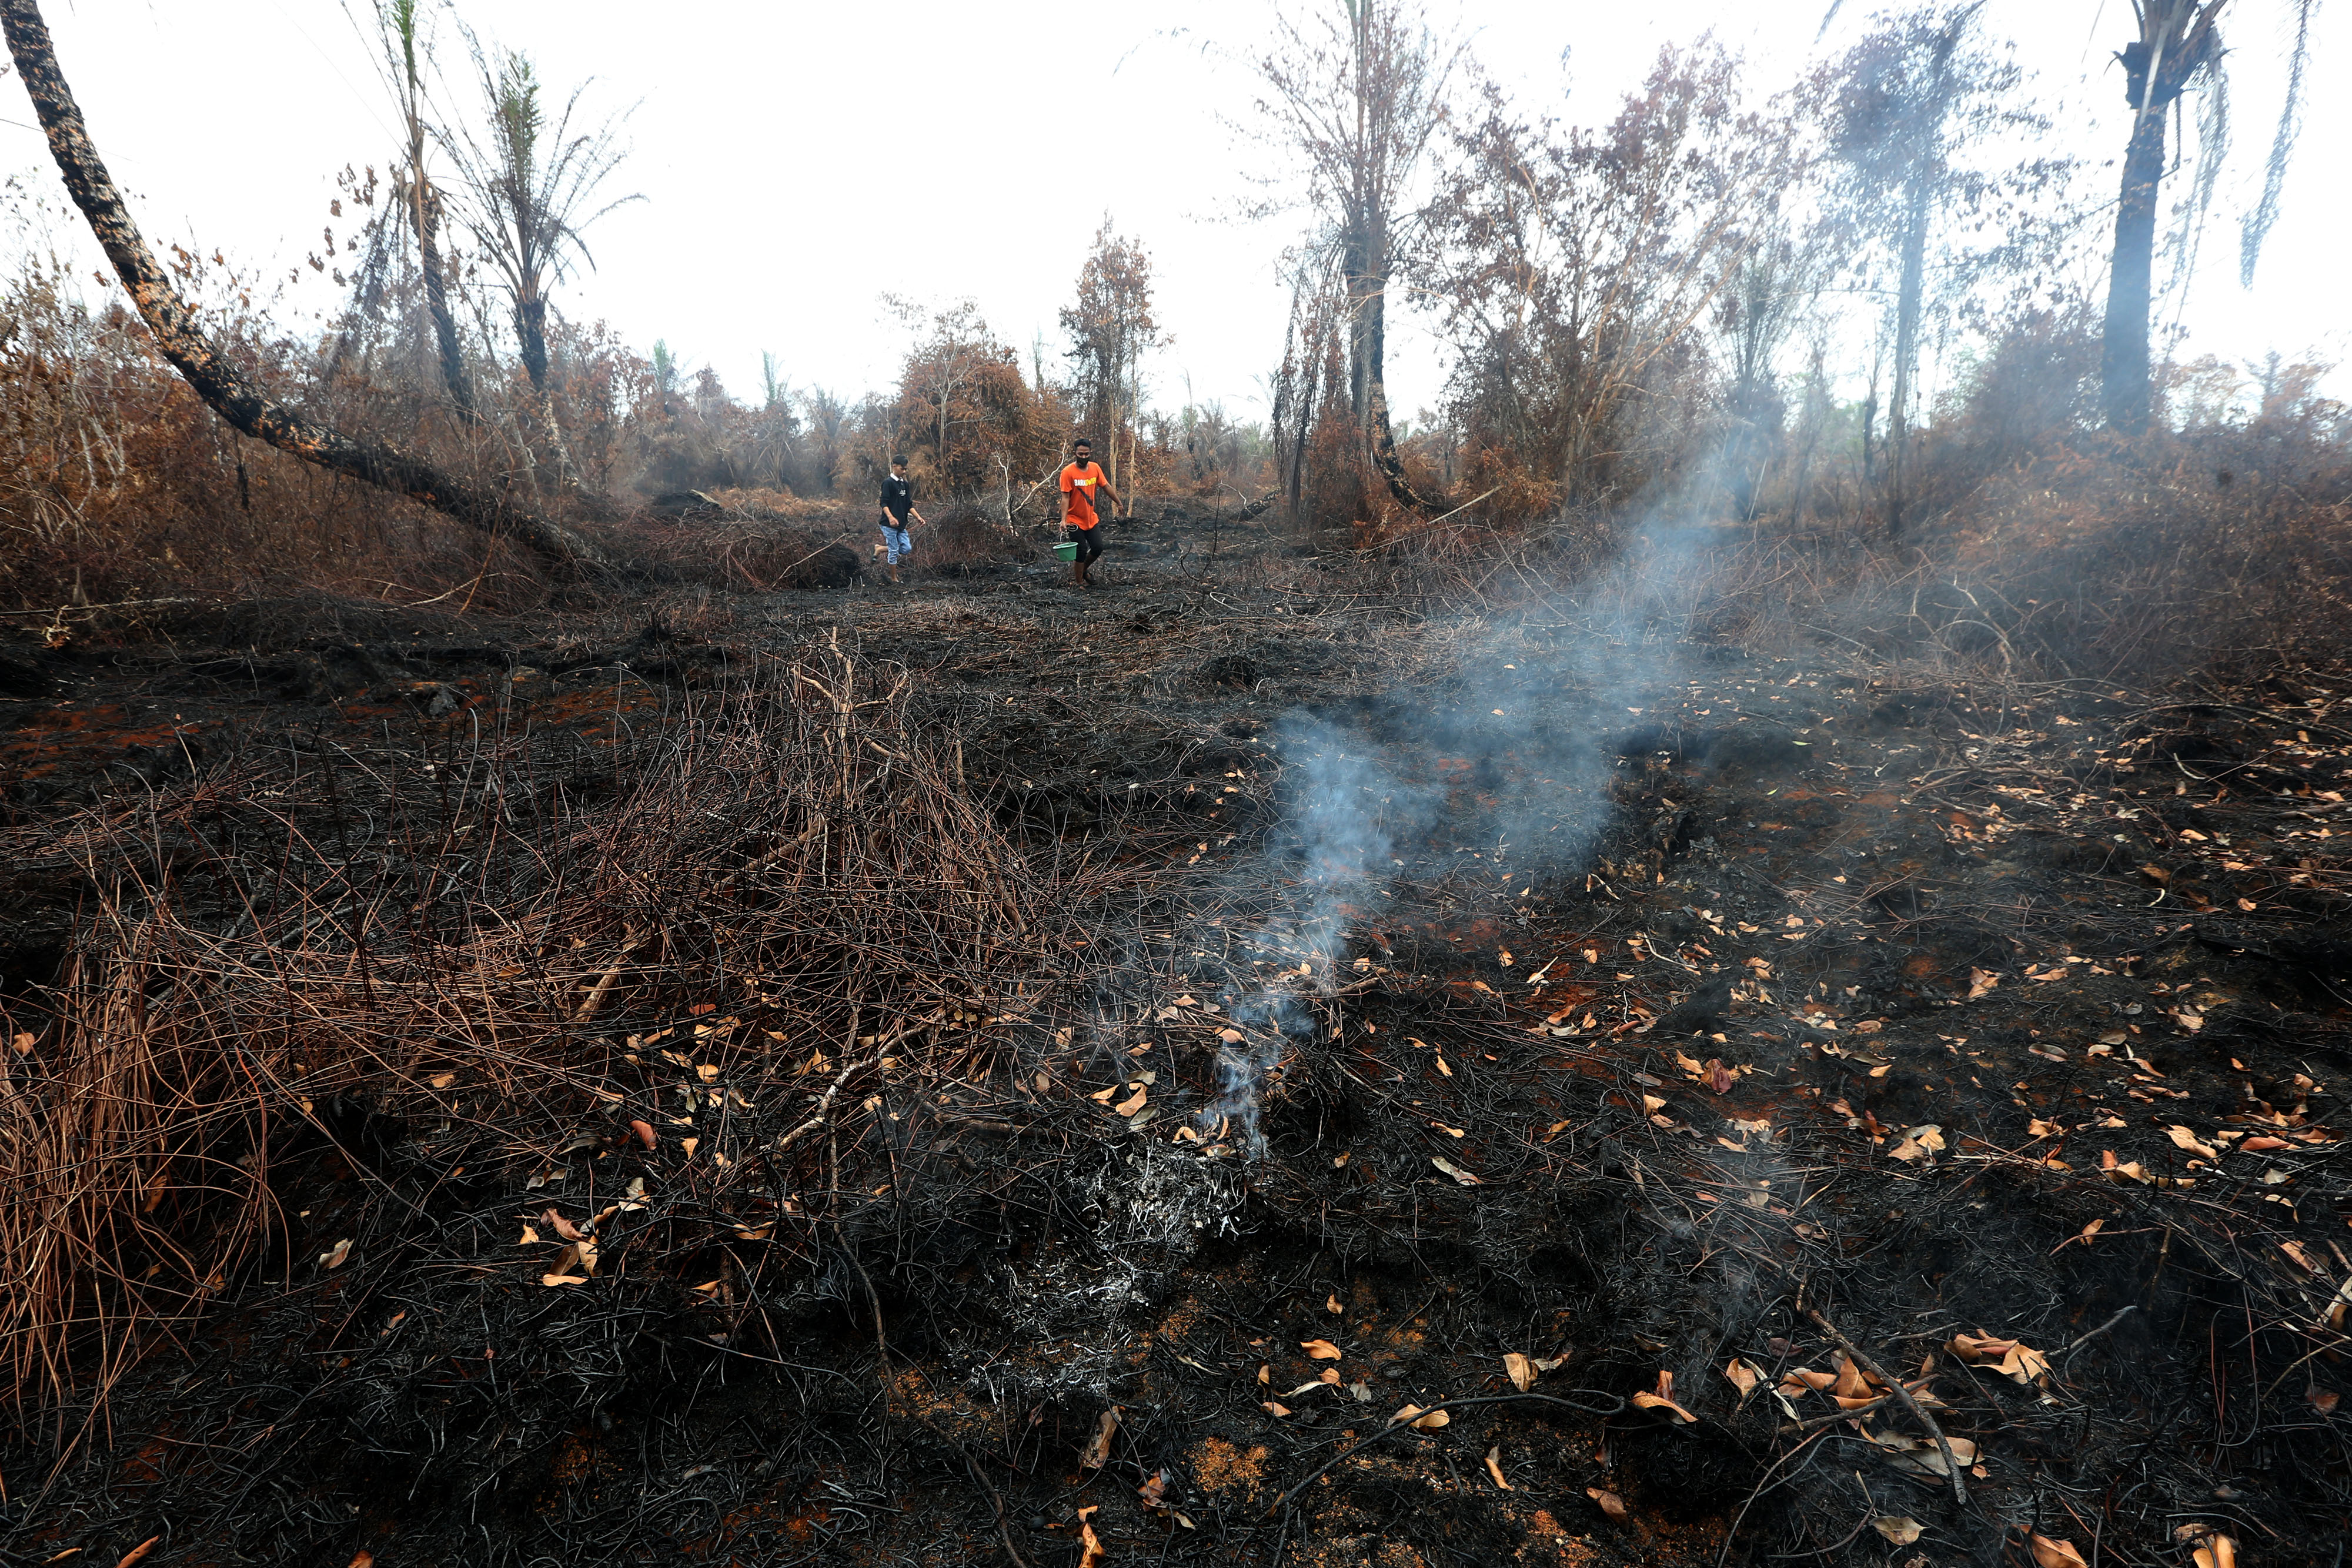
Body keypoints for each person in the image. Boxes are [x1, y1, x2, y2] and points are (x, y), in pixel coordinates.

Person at [1056, 437, 1120, 588]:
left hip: (1090, 518)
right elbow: (1065, 497)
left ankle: (1082, 571)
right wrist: (1063, 520)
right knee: (1081, 550)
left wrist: (1118, 502)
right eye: (1081, 454)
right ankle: (1079, 583)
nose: (1084, 457)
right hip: (1074, 519)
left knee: (1098, 547)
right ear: (1075, 454)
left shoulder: (1095, 468)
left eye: (1086, 454)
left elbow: (1106, 486)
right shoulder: (1068, 472)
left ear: (1091, 453)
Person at [878, 455, 927, 585]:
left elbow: (908, 505)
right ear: (894, 466)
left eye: (906, 469)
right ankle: (894, 579)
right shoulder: (888, 483)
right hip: (888, 524)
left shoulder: (905, 484)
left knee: (906, 549)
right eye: (902, 469)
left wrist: (918, 517)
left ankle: (880, 549)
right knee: (894, 551)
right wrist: (891, 517)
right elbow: (884, 503)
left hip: (901, 525)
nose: (904, 472)